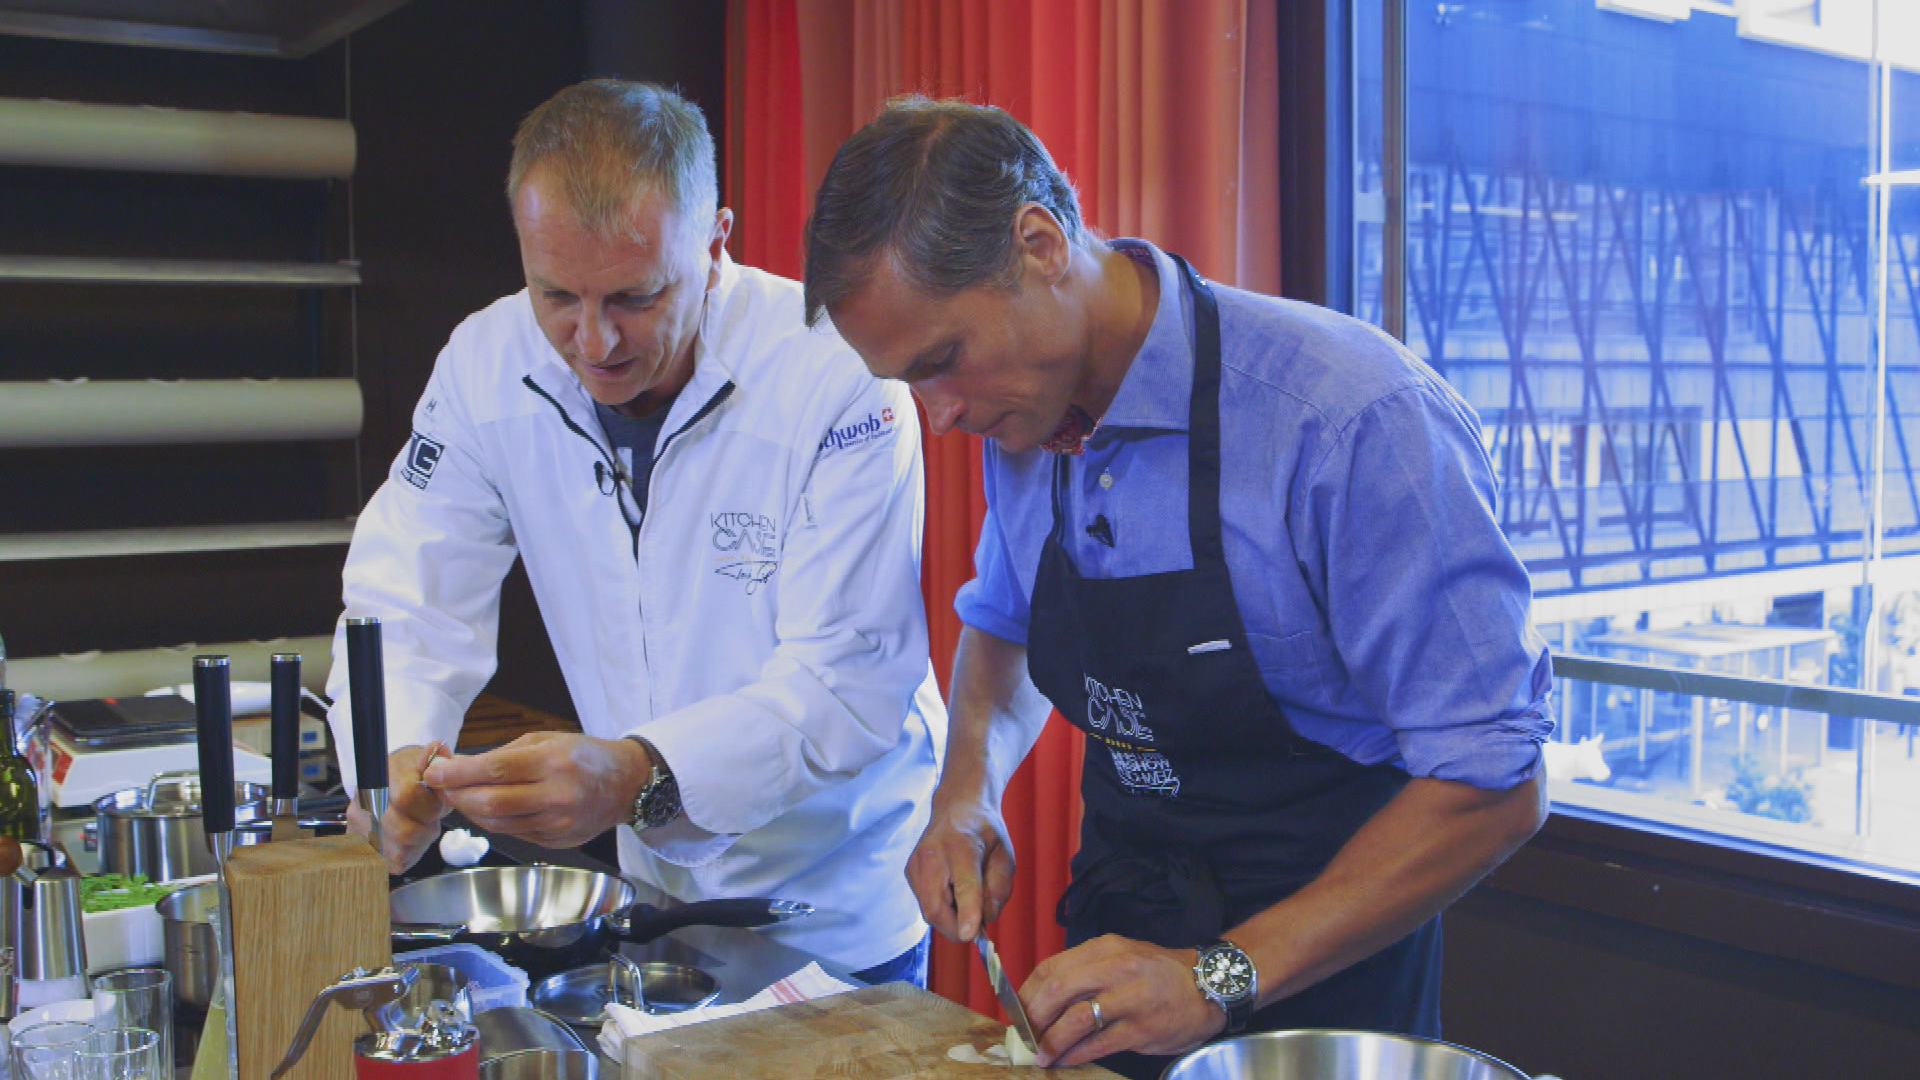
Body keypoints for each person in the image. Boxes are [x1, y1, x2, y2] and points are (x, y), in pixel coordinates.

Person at [803, 97, 1553, 1075]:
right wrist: (968, 791)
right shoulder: (1023, 411)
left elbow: (1496, 781)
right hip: (1119, 941)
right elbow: (1006, 623)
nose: (938, 418)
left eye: (942, 363)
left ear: (1037, 245)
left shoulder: (1348, 421)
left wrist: (1217, 978)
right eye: (907, 382)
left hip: (1320, 997)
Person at [325, 81, 945, 985]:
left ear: (716, 239)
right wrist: (395, 763)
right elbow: (407, 592)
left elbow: (841, 684)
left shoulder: (839, 373)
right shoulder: (485, 365)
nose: (593, 340)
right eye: (556, 295)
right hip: (651, 901)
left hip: (837, 901)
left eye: (636, 296)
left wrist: (637, 775)